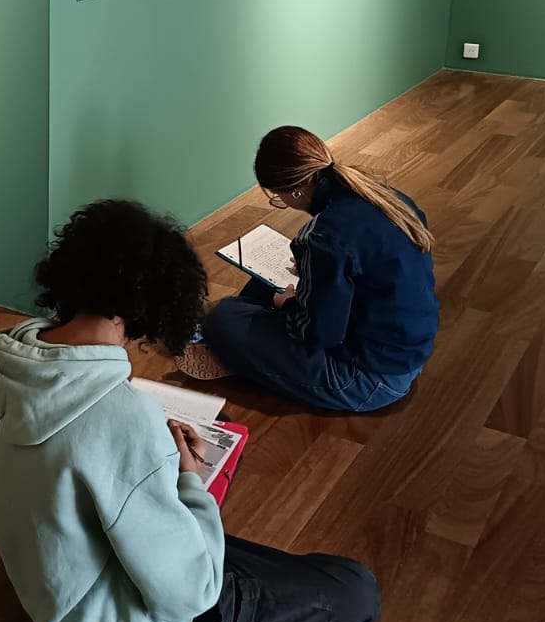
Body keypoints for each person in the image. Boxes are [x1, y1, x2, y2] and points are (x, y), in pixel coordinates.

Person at [0, 199, 381, 622]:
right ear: (153, 303)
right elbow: (191, 592)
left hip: (41, 569)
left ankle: (86, 619)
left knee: (249, 560)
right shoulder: (125, 419)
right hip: (112, 611)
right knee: (356, 592)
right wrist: (189, 482)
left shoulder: (1, 368)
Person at [182, 126, 439, 412]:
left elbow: (319, 334)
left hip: (366, 378)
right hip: (405, 354)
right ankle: (244, 335)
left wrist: (286, 304)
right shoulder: (390, 199)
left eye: (277, 197)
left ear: (295, 190)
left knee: (223, 316)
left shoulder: (325, 236)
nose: (282, 202)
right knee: (262, 286)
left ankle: (231, 343)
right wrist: (312, 272)